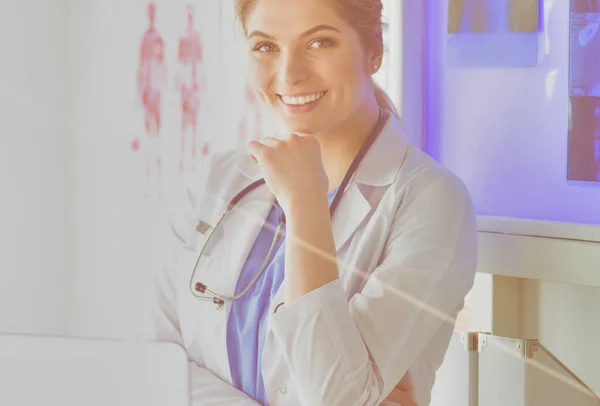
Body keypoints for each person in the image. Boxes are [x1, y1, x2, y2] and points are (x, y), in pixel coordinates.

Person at [149, 0, 478, 405]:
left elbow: (334, 398)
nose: (289, 74)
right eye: (266, 47)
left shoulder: (431, 202)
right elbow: (156, 366)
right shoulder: (218, 179)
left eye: (320, 42)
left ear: (374, 51)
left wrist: (305, 205)